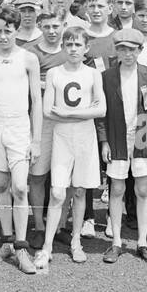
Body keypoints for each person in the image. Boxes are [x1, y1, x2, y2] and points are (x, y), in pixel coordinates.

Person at [0, 6, 41, 274]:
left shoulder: (28, 59)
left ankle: (22, 247)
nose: (2, 36)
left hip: (19, 128)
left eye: (7, 31)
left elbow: (36, 100)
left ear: (16, 30)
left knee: (20, 187)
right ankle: (6, 242)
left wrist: (36, 140)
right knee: (0, 184)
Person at [34, 26, 104, 269]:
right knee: (57, 192)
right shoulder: (55, 73)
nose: (73, 49)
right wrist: (82, 114)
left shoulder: (93, 74)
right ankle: (47, 246)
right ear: (63, 47)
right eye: (69, 44)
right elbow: (47, 111)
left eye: (78, 45)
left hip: (85, 137)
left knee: (80, 191)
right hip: (62, 137)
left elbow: (101, 110)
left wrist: (68, 112)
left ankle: (76, 241)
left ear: (86, 48)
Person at [96, 27, 147, 265]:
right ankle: (116, 242)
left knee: (143, 189)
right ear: (117, 50)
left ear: (140, 50)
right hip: (117, 138)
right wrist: (104, 141)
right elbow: (102, 115)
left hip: (143, 136)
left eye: (132, 49)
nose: (127, 54)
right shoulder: (107, 77)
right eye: (122, 49)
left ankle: (143, 242)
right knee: (116, 189)